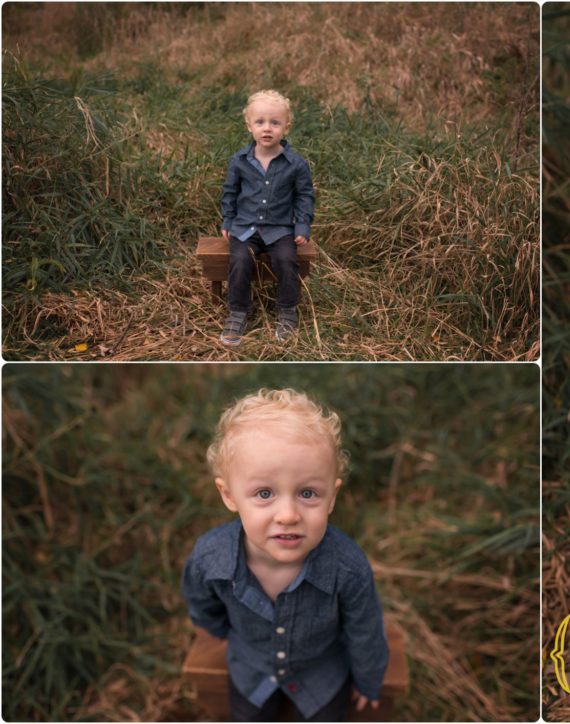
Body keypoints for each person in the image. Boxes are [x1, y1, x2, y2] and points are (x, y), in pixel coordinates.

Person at [183, 389, 387, 721]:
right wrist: (221, 632)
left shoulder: (346, 567)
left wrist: (368, 681)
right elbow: (201, 602)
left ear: (331, 497)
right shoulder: (212, 557)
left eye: (308, 493)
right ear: (229, 494)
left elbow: (365, 630)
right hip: (251, 668)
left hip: (321, 672)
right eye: (264, 493)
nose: (288, 514)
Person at [219, 90, 315, 345]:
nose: (267, 128)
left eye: (275, 122)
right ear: (249, 125)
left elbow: (304, 196)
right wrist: (227, 221)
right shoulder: (239, 161)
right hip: (245, 227)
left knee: (286, 259)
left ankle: (287, 311)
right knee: (239, 260)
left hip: (279, 228)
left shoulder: (295, 164)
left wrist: (302, 225)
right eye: (260, 122)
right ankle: (238, 311)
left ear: (286, 126)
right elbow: (230, 193)